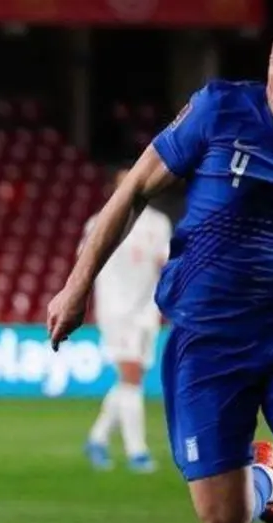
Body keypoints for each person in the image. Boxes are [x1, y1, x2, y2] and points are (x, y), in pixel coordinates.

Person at [49, 16, 273, 523]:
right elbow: (136, 188)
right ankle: (265, 480)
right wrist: (76, 287)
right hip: (211, 342)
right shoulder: (221, 109)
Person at [81, 169, 171, 473]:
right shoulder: (100, 222)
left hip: (146, 311)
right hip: (116, 310)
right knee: (131, 376)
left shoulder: (158, 223)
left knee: (131, 379)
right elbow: (86, 264)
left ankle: (97, 439)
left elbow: (165, 264)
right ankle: (137, 451)